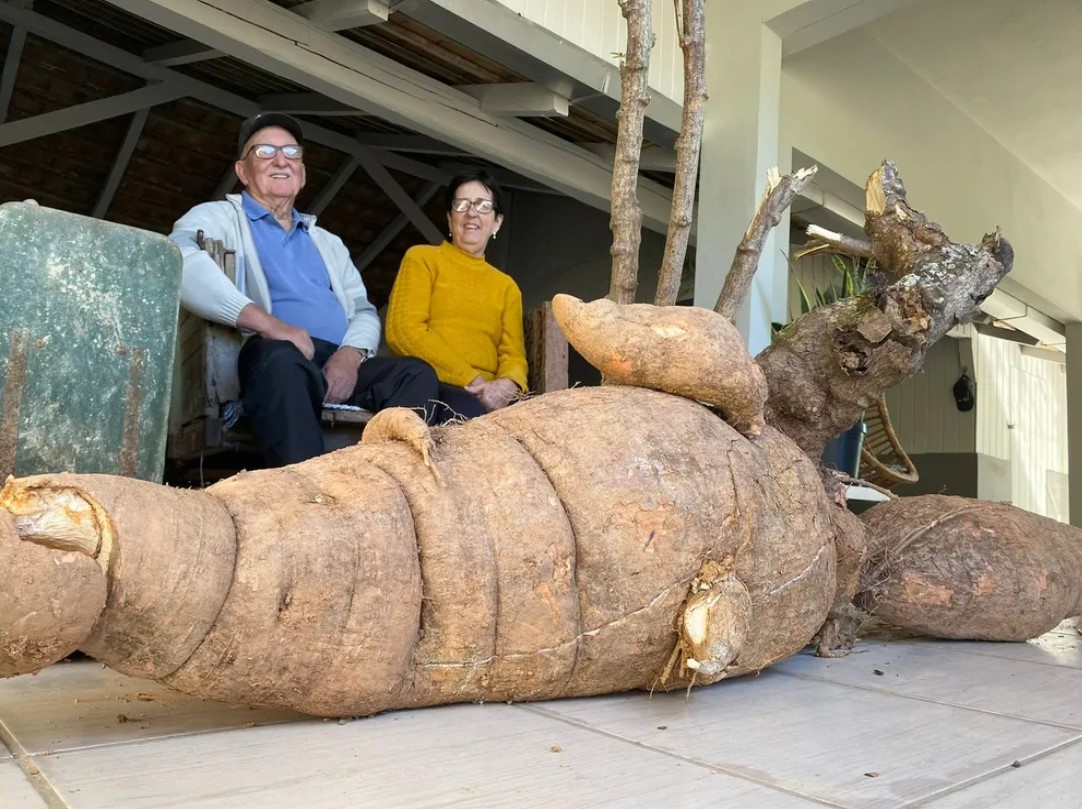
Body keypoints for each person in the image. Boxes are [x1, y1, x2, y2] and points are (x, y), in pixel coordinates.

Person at [170, 112, 444, 467]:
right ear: (242, 170)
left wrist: (351, 355)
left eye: (291, 152)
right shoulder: (218, 217)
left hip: (334, 358)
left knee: (415, 373)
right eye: (265, 151)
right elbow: (177, 258)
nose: (281, 159)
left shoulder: (327, 241)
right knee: (283, 361)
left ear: (302, 173)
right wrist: (269, 324)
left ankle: (386, 482)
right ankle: (311, 497)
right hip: (270, 352)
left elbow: (362, 309)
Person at [385, 170, 528, 419]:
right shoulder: (422, 259)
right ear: (450, 219)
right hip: (431, 384)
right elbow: (404, 330)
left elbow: (513, 355)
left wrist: (508, 384)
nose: (471, 213)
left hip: (487, 398)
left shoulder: (507, 287)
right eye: (462, 204)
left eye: (483, 206)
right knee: (462, 413)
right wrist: (471, 378)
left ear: (497, 222)